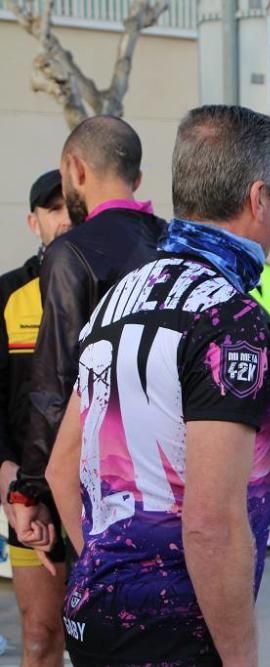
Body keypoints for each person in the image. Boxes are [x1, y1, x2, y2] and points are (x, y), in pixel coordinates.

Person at [44, 105, 270, 666]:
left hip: (95, 615)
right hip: (178, 630)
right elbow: (211, 524)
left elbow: (61, 469)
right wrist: (241, 658)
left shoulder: (119, 296)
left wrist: (107, 570)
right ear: (259, 199)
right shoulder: (227, 316)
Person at [9, 116, 166, 554]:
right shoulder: (176, 242)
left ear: (76, 170)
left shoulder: (70, 253)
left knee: (105, 609)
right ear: (135, 178)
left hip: (104, 483)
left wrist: (30, 490)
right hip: (175, 474)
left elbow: (54, 384)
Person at [0, 170, 70, 666]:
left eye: (73, 207)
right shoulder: (7, 295)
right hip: (33, 501)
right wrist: (11, 486)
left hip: (108, 502)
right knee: (42, 636)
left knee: (110, 640)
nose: (65, 219)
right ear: (33, 221)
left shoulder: (120, 289)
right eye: (53, 209)